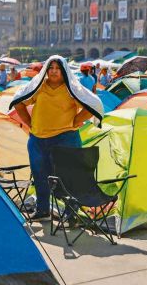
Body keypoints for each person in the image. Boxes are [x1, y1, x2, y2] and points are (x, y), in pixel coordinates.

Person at [13, 58, 98, 221]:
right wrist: (30, 123)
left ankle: (71, 213)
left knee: (68, 175)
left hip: (65, 138)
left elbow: (92, 105)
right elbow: (19, 102)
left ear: (64, 70)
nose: (53, 71)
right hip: (38, 139)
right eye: (50, 67)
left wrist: (76, 120)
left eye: (57, 68)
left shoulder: (71, 88)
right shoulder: (39, 86)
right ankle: (43, 209)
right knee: (39, 175)